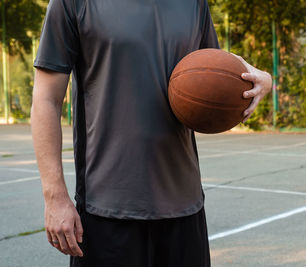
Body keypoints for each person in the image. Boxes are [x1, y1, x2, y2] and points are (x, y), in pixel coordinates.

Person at [30, 0, 272, 266]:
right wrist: (54, 197)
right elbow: (45, 100)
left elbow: (214, 75)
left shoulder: (194, 5)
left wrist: (262, 80)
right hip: (107, 208)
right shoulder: (73, 3)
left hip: (184, 206)